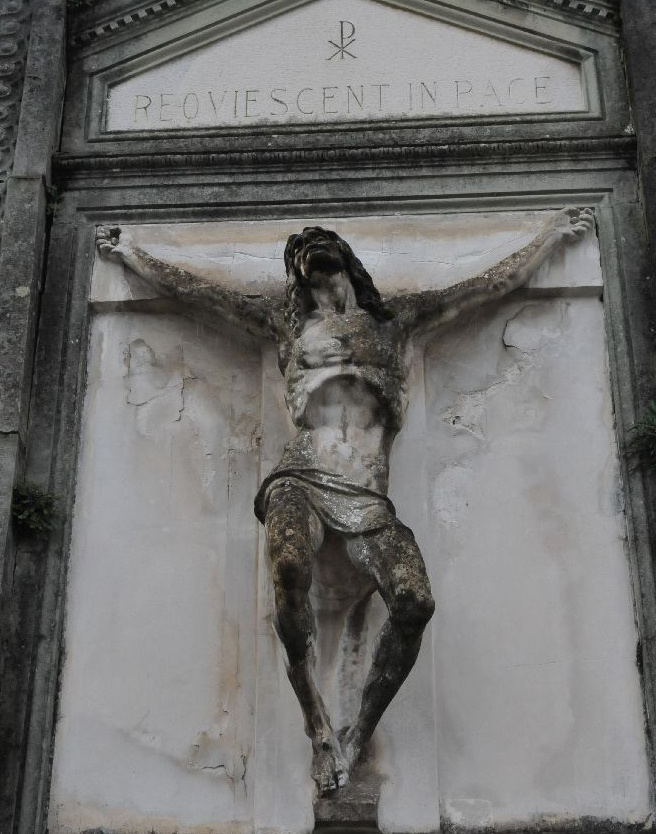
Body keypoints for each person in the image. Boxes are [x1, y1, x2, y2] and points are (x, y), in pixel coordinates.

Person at [96, 206, 594, 794]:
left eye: (320, 244)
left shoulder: (395, 322)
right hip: (302, 473)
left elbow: (485, 286)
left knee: (414, 602)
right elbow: (201, 295)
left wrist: (549, 238)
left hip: (366, 492)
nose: (310, 250)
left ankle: (357, 733)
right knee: (286, 565)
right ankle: (317, 724)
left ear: (345, 262)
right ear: (296, 274)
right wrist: (131, 253)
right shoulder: (288, 327)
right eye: (300, 251)